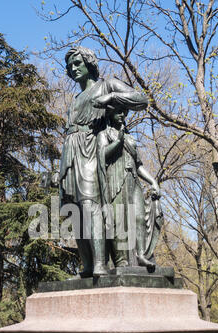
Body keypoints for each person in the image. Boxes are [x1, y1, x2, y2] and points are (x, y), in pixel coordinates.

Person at [59, 46, 148, 277]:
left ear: (89, 63)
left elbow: (141, 99)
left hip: (91, 149)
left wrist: (111, 98)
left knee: (90, 206)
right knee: (74, 210)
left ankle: (100, 263)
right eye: (70, 65)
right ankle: (88, 265)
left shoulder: (106, 85)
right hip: (71, 151)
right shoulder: (76, 98)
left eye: (78, 63)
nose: (73, 68)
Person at [97, 106, 161, 268]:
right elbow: (102, 155)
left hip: (133, 181)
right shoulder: (104, 134)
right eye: (118, 111)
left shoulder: (130, 137)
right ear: (110, 114)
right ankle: (122, 260)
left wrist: (152, 181)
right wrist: (118, 141)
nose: (122, 114)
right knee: (119, 221)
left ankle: (141, 255)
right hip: (115, 180)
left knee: (139, 217)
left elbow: (138, 165)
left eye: (124, 112)